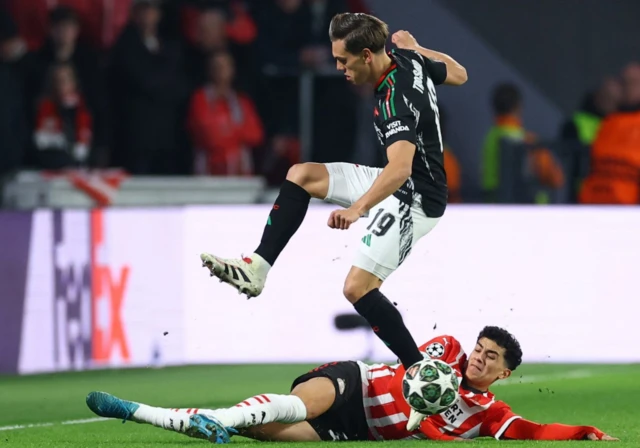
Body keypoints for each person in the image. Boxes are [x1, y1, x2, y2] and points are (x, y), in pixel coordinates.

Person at [200, 12, 468, 374]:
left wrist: (358, 208)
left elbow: (401, 169)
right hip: (397, 177)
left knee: (357, 288)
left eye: (344, 60)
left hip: (415, 198)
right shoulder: (408, 59)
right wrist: (418, 48)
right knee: (302, 175)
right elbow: (460, 74)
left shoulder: (393, 102)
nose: (339, 67)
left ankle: (419, 373)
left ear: (368, 56)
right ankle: (257, 269)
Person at [86, 326, 618, 443]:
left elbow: (531, 430)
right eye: (481, 348)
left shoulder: (487, 414)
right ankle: (222, 420)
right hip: (354, 383)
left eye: (491, 358)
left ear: (503, 374)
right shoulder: (449, 351)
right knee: (293, 405)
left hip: (355, 432)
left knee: (263, 429)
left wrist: (581, 433)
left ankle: (135, 411)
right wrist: (430, 418)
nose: (478, 357)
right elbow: (421, 383)